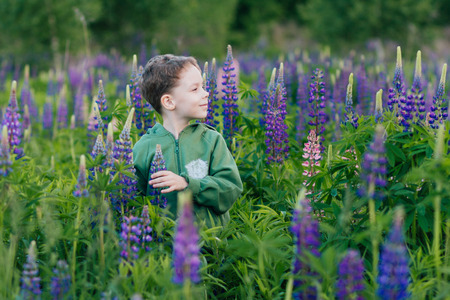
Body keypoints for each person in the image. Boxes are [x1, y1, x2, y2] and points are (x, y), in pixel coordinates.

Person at [133, 54, 243, 227]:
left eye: (203, 87)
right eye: (195, 89)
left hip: (211, 245)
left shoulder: (211, 140)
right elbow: (133, 200)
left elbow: (231, 189)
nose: (206, 93)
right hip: (163, 244)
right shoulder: (144, 147)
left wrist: (188, 183)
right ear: (169, 101)